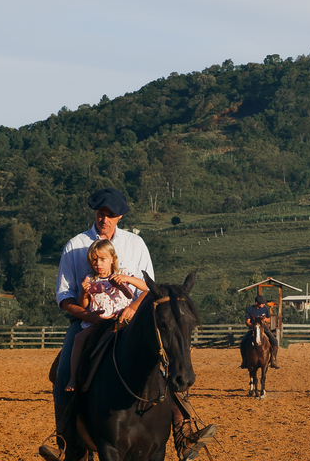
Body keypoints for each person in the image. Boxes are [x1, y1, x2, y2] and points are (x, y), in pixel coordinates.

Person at [40, 187, 216, 461]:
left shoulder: (136, 244)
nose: (105, 219)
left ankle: (183, 429)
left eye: (111, 215)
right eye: (101, 214)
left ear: (120, 216)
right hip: (90, 320)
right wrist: (88, 316)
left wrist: (133, 307)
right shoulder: (74, 245)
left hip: (132, 320)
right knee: (64, 368)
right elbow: (63, 295)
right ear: (95, 213)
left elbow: (150, 289)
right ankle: (64, 437)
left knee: (167, 356)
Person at [64, 238, 146, 392]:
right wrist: (84, 292)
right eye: (94, 260)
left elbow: (145, 287)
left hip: (121, 320)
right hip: (99, 322)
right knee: (79, 338)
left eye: (102, 259)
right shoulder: (90, 279)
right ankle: (73, 378)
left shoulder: (123, 273)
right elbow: (84, 305)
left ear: (112, 259)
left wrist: (126, 280)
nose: (98, 264)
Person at [242, 294, 280, 370]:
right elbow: (247, 322)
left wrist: (265, 319)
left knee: (275, 341)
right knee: (243, 342)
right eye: (262, 303)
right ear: (256, 303)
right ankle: (244, 361)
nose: (263, 304)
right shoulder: (250, 309)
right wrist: (253, 326)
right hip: (253, 329)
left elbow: (269, 320)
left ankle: (273, 360)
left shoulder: (265, 309)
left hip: (264, 329)